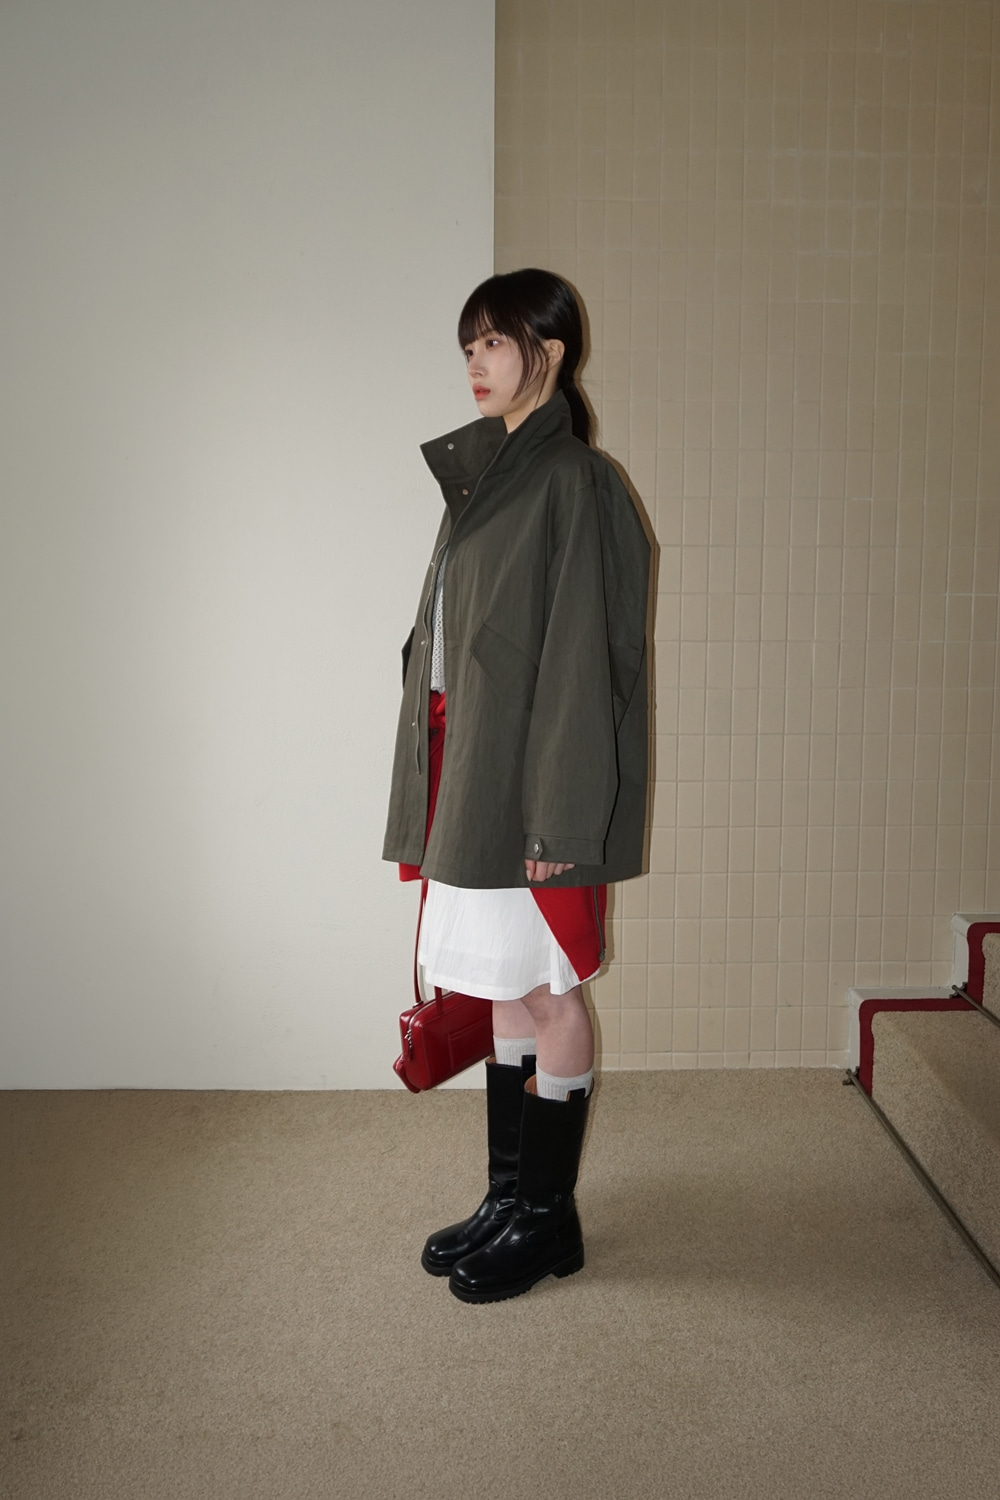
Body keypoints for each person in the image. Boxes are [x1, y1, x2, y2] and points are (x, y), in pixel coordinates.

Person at [383, 268, 650, 1303]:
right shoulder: (484, 482)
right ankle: (512, 1198)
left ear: (552, 349)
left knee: (547, 989)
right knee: (499, 981)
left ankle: (544, 1216)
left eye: (494, 342)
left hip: (536, 786)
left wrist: (561, 818)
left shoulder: (574, 481)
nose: (475, 362)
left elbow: (583, 663)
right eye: (469, 346)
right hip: (475, 773)